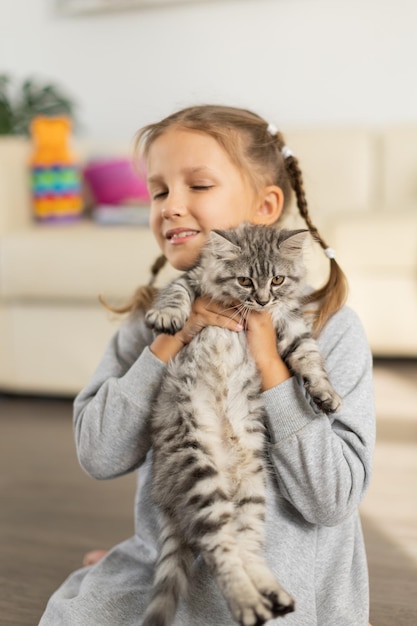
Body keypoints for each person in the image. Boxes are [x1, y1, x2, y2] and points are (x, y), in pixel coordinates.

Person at [39, 105, 375, 626]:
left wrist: (269, 360)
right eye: (158, 191)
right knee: (71, 616)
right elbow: (98, 454)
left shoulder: (333, 329)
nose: (172, 206)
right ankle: (133, 559)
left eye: (197, 186)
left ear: (265, 206)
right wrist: (168, 344)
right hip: (173, 566)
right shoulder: (150, 324)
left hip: (281, 588)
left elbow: (329, 500)